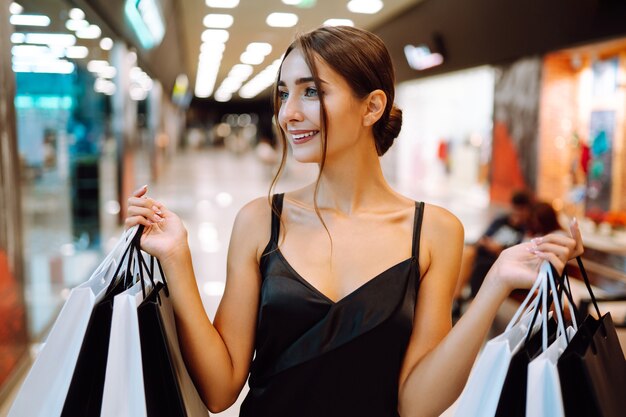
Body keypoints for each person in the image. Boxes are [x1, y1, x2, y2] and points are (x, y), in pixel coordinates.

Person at [125, 26, 583, 417]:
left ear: (372, 107)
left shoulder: (434, 232)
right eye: (284, 93)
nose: (288, 113)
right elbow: (220, 389)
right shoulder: (261, 221)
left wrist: (496, 283)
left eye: (312, 91)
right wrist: (178, 258)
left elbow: (418, 405)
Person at [467, 190, 533, 298]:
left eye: (521, 210)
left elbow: (519, 252)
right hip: (485, 252)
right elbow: (484, 238)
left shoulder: (526, 229)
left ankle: (471, 302)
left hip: (500, 259)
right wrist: (490, 245)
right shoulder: (502, 220)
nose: (517, 213)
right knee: (467, 253)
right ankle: (458, 298)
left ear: (527, 211)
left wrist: (499, 249)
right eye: (515, 208)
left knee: (480, 266)